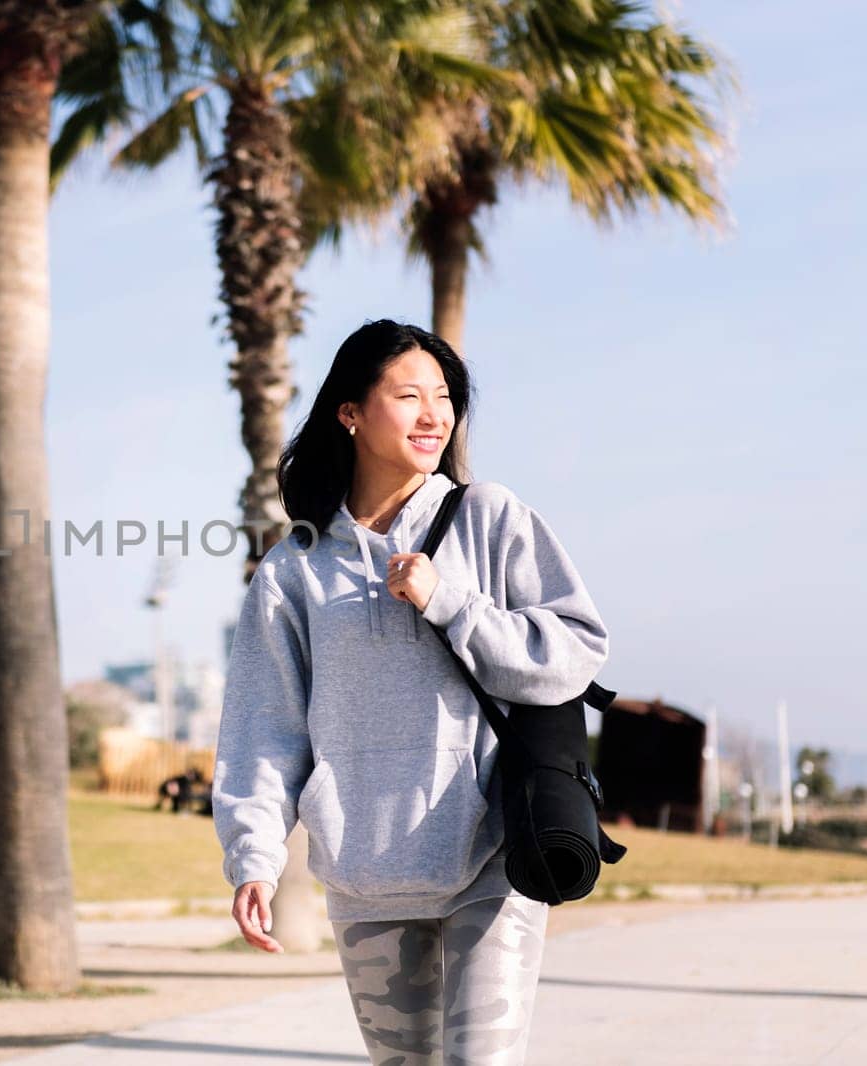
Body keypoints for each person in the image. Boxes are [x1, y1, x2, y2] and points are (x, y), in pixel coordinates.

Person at [211, 319, 609, 1065]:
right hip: (365, 878)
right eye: (408, 395)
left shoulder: (489, 518)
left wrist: (455, 603)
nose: (435, 415)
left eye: (446, 397)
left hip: (490, 858)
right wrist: (254, 856)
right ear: (350, 412)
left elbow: (577, 650)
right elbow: (264, 731)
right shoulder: (295, 569)